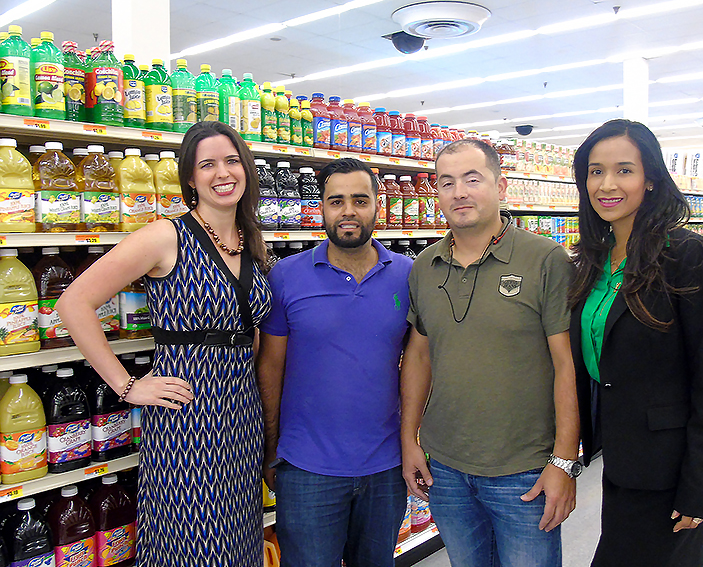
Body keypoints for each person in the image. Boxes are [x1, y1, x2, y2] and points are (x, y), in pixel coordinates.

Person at [57, 121, 272, 567]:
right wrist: (127, 385)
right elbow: (73, 303)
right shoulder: (165, 236)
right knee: (190, 539)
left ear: (246, 169)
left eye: (232, 161)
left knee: (238, 540)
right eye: (207, 164)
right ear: (190, 178)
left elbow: (249, 328)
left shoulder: (250, 240)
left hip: (242, 414)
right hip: (186, 417)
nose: (222, 173)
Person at [401, 139, 580, 567]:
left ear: (500, 187)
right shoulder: (424, 265)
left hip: (524, 469)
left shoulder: (545, 259)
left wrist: (564, 461)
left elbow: (566, 366)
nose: (459, 192)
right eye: (447, 182)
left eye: (472, 179)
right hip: (446, 468)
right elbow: (419, 357)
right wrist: (409, 440)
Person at [568, 119, 703, 567]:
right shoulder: (593, 262)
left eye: (624, 170)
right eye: (596, 171)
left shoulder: (690, 256)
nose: (607, 184)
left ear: (651, 178)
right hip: (622, 458)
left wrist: (701, 487)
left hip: (669, 468)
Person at [257, 158, 412, 567]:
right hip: (306, 469)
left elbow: (420, 364)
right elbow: (270, 369)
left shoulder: (408, 275)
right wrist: (271, 448)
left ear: (377, 205)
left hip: (386, 467)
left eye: (360, 200)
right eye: (336, 201)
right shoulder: (286, 276)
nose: (348, 211)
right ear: (321, 207)